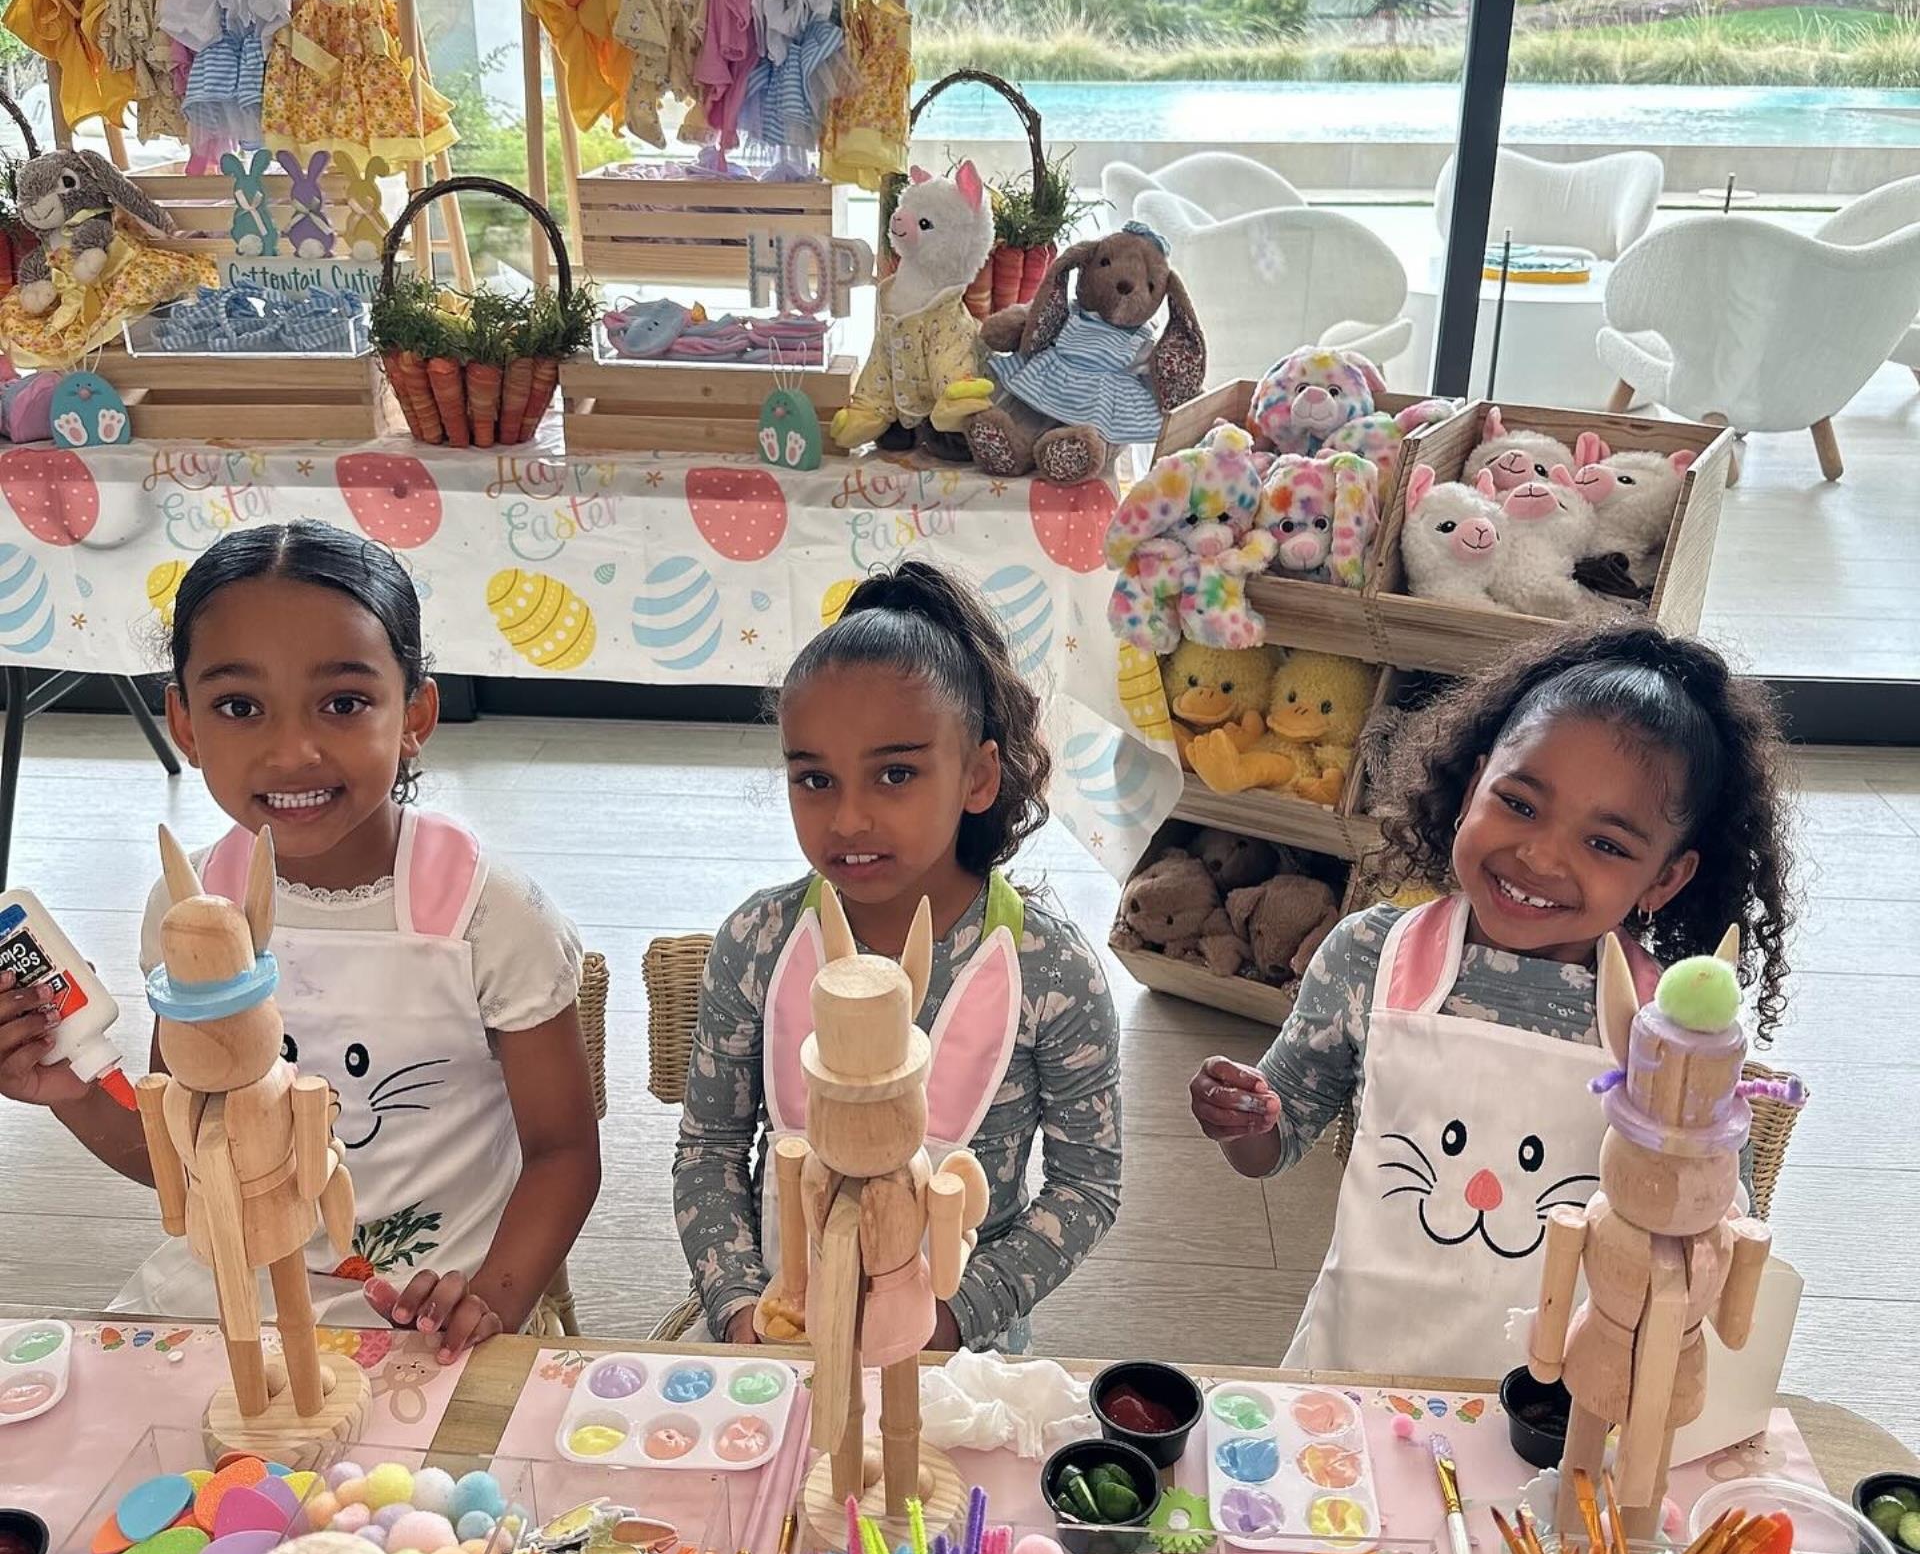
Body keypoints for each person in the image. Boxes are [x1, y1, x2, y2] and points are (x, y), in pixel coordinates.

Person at [0, 522, 599, 1359]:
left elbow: (564, 1151)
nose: (292, 751)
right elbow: (190, 1156)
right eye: (239, 706)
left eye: (344, 702)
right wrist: (70, 1088)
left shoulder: (488, 915)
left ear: (415, 711)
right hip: (223, 1303)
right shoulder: (193, 910)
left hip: (419, 1315)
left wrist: (491, 1299)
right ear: (183, 720)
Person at [1189, 624, 1795, 1381]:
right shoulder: (1371, 956)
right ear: (1474, 784)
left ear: (1665, 879)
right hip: (1353, 1376)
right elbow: (1271, 1147)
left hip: (1560, 1412)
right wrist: (1242, 1116)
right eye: (1519, 802)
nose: (1541, 855)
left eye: (1606, 844)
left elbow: (1709, 1226)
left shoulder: (1667, 1033)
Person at [675, 558, 1122, 1351]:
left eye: (895, 773)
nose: (847, 818)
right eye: (814, 779)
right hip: (778, 1351)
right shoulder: (754, 945)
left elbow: (1088, 1184)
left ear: (979, 775)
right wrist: (745, 1309)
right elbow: (709, 1148)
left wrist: (952, 1316)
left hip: (958, 1365)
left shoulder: (1052, 975)